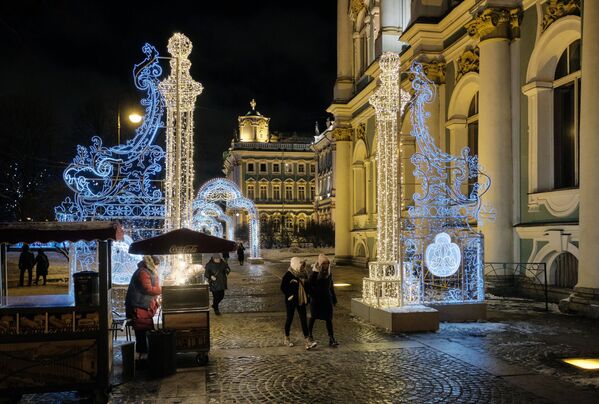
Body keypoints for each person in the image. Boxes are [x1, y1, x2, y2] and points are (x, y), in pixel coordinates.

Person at [125, 255, 162, 360]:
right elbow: (148, 288)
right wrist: (160, 290)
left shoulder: (147, 271)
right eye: (157, 265)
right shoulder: (143, 272)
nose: (158, 268)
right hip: (139, 307)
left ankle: (146, 354)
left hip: (143, 306)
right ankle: (142, 357)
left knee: (144, 330)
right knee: (141, 331)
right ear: (154, 264)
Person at [281, 257, 317, 350]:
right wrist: (290, 295)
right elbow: (283, 287)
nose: (301, 267)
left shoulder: (304, 274)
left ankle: (307, 340)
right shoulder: (289, 275)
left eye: (302, 265)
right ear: (295, 265)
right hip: (291, 301)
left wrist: (309, 295)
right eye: (300, 265)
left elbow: (307, 287)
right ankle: (287, 338)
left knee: (303, 320)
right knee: (290, 318)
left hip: (301, 300)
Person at [308, 254, 339, 346]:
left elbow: (330, 287)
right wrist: (313, 296)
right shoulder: (314, 274)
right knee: (313, 317)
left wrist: (334, 298)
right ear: (320, 264)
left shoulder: (329, 274)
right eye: (324, 263)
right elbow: (309, 287)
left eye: (327, 263)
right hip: (316, 300)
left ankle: (331, 338)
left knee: (328, 318)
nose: (325, 265)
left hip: (327, 299)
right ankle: (309, 335)